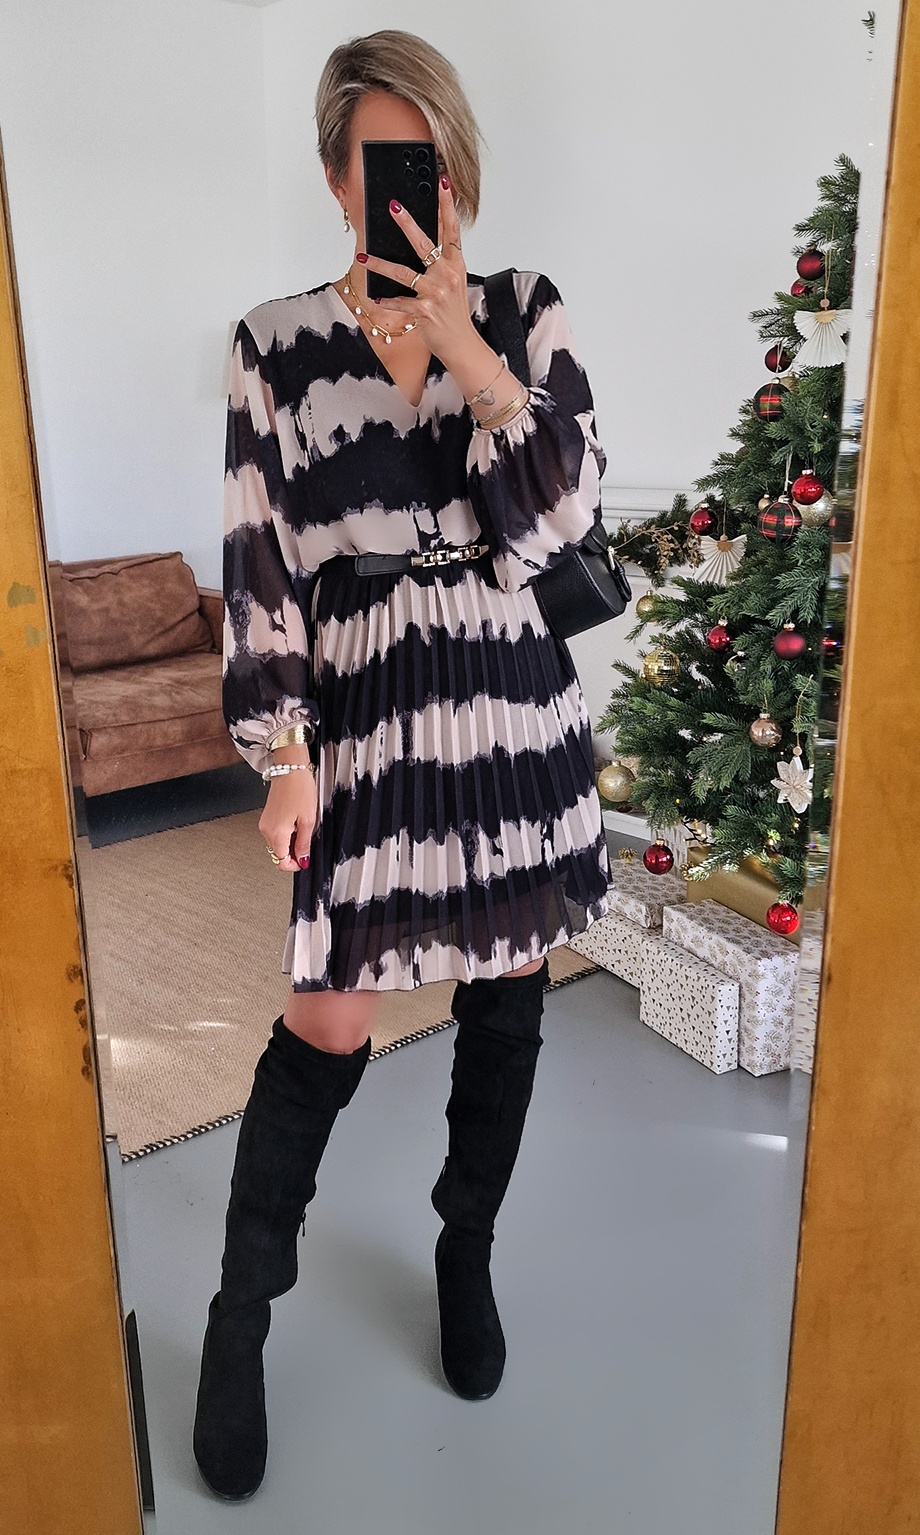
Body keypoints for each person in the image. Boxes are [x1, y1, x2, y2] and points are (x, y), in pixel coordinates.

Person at [193, 28, 611, 1503]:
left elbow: (560, 530)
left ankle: (464, 1249)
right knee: (328, 1021)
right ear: (335, 177)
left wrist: (475, 360)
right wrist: (280, 752)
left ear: (461, 166)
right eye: (384, 162)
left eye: (431, 158)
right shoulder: (273, 344)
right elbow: (258, 559)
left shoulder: (525, 313)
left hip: (513, 712)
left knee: (508, 997)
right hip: (366, 718)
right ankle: (241, 1318)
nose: (414, 187)